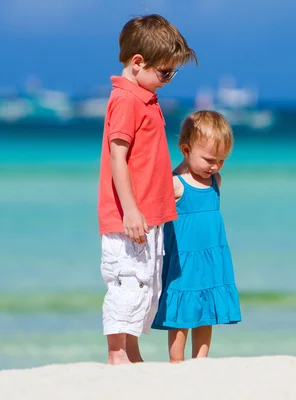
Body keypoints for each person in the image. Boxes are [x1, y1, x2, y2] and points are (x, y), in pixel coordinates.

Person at [97, 14, 197, 365]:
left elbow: (147, 160)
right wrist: (132, 210)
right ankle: (117, 352)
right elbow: (117, 156)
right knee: (128, 281)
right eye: (165, 72)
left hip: (148, 215)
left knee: (148, 285)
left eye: (173, 73)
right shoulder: (126, 100)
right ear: (137, 62)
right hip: (130, 217)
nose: (168, 80)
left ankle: (132, 351)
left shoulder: (145, 98)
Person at [152, 110, 242, 362]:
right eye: (210, 159)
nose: (215, 166)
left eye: (222, 161)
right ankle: (176, 361)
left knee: (206, 309)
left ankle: (201, 360)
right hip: (184, 259)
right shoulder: (175, 183)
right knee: (181, 311)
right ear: (186, 149)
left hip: (211, 258)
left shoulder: (216, 181)